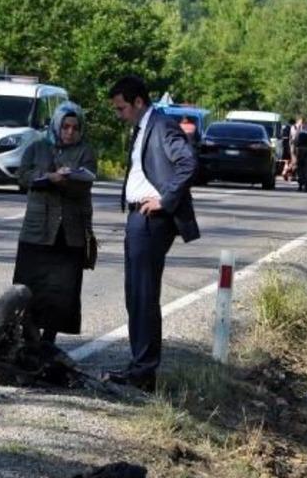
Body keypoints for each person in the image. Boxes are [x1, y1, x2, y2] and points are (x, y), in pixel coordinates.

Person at [104, 75, 200, 392]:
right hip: (139, 218)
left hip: (152, 220)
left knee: (143, 295)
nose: (119, 115)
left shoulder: (161, 126)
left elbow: (188, 162)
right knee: (135, 294)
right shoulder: (144, 127)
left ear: (138, 102)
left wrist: (165, 199)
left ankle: (144, 372)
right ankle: (139, 366)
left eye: (121, 108)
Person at [12, 101, 96, 344]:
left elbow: (86, 184)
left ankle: (49, 340)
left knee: (62, 290)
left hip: (69, 233)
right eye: (65, 127)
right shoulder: (37, 147)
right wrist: (48, 177)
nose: (70, 132)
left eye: (75, 128)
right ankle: (28, 337)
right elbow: (22, 176)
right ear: (57, 125)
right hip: (37, 230)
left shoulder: (85, 152)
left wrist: (68, 180)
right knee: (30, 285)